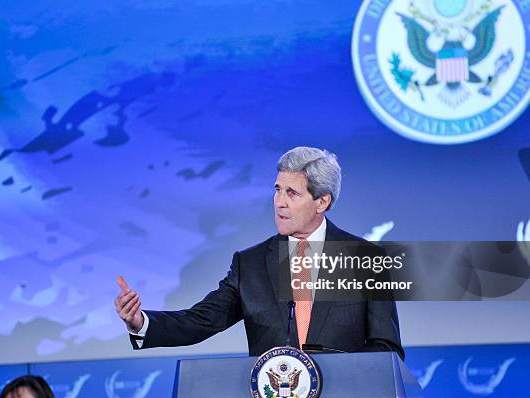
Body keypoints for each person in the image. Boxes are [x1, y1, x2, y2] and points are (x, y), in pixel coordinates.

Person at [114, 146, 404, 358]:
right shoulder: (250, 265)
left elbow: (386, 348)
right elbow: (201, 320)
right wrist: (141, 323)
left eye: (292, 193)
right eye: (277, 190)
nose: (279, 202)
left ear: (322, 202)